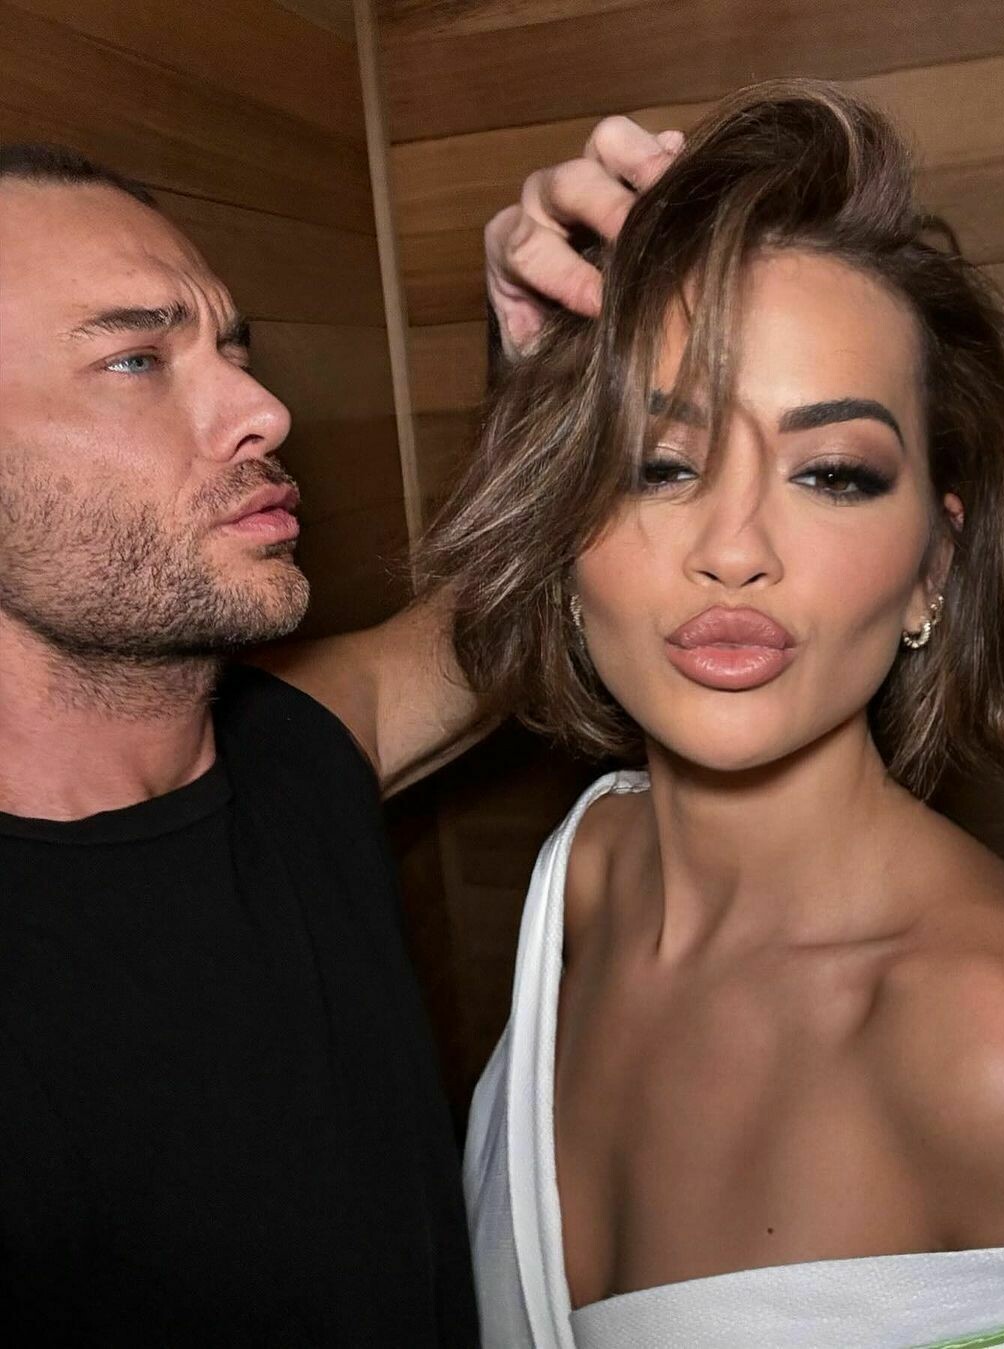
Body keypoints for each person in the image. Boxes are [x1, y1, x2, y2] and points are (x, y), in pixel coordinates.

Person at [418, 82, 1004, 1348]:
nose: (733, 547)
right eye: (658, 464)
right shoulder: (590, 872)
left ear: (933, 569)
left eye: (832, 473)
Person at [0, 121, 677, 1344]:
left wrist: (548, 364)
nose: (262, 408)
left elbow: (498, 618)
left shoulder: (290, 748)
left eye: (232, 347)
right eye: (136, 359)